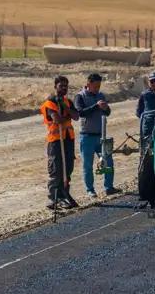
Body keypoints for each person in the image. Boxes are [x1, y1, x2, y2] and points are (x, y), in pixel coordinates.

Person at [74, 72, 117, 199]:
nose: (98, 88)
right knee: (88, 165)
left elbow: (107, 112)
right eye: (96, 86)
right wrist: (95, 106)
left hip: (101, 135)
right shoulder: (80, 96)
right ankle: (90, 190)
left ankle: (109, 187)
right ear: (89, 84)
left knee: (108, 162)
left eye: (99, 86)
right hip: (86, 137)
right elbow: (80, 113)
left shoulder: (101, 95)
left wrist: (104, 107)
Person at [40, 75, 79, 210]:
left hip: (68, 139)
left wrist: (65, 108)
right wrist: (66, 115)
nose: (64, 88)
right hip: (56, 141)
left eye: (66, 86)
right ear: (55, 86)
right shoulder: (49, 103)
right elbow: (57, 120)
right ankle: (54, 198)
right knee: (56, 170)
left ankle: (65, 193)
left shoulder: (67, 102)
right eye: (61, 86)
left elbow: (76, 116)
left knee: (68, 168)